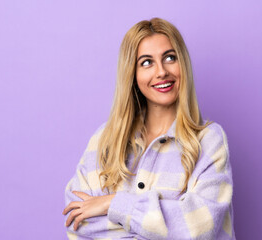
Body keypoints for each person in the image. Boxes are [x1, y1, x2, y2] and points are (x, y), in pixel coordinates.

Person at [63, 18, 236, 240]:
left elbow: (199, 229)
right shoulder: (104, 140)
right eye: (146, 62)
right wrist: (167, 227)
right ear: (132, 74)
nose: (161, 71)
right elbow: (78, 222)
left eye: (170, 58)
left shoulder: (209, 141)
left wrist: (112, 204)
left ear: (182, 63)